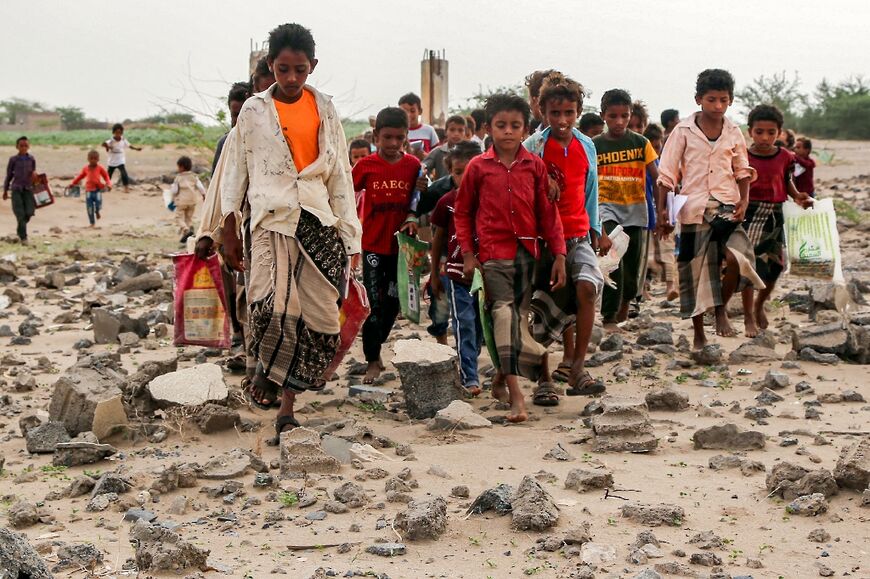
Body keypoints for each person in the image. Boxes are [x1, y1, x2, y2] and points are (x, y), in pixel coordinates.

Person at [219, 23, 362, 439]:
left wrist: (351, 238)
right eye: (283, 69)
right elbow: (236, 172)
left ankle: (287, 404)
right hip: (271, 219)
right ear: (270, 65)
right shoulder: (253, 111)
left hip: (319, 218)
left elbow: (339, 176)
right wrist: (229, 227)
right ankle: (268, 375)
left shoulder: (325, 108)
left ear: (312, 66)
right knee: (272, 308)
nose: (292, 78)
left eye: (300, 69)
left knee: (319, 319)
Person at [454, 93, 566, 423]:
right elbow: (463, 212)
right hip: (493, 255)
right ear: (489, 128)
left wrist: (559, 253)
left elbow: (548, 214)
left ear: (525, 128)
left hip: (527, 254)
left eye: (515, 126)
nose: (508, 131)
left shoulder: (534, 165)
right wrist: (469, 254)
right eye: (501, 125)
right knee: (502, 316)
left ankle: (502, 377)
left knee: (519, 321)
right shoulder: (478, 167)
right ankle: (518, 396)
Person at [656, 69, 764, 349]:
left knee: (740, 258)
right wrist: (661, 212)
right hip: (693, 207)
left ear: (730, 101)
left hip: (727, 204)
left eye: (724, 100)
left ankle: (721, 309)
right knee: (695, 271)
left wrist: (744, 201)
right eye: (712, 99)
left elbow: (742, 170)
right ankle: (698, 333)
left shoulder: (733, 132)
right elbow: (666, 174)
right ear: (699, 100)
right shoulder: (682, 131)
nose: (718, 106)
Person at [524, 72, 605, 401]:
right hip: (541, 241)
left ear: (578, 112)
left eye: (568, 113)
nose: (562, 119)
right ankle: (543, 378)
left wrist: (595, 228)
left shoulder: (586, 146)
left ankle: (577, 367)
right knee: (538, 303)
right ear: (541, 111)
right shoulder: (534, 147)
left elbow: (591, 190)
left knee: (586, 288)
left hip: (577, 235)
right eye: (554, 113)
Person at [352, 107, 423, 384]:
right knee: (372, 303)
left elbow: (420, 204)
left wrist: (418, 206)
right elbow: (345, 194)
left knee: (394, 302)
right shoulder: (365, 166)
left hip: (401, 250)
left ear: (406, 137)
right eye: (387, 138)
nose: (393, 144)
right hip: (372, 246)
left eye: (399, 138)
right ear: (376, 136)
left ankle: (377, 344)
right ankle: (372, 360)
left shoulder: (414, 167)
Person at [741, 104, 813, 337]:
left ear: (779, 133)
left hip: (775, 215)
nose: (765, 137)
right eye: (759, 132)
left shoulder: (785, 157)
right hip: (750, 214)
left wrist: (797, 196)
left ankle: (759, 305)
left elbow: (786, 181)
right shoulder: (743, 155)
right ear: (750, 131)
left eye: (771, 133)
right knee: (749, 268)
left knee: (775, 267)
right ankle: (748, 317)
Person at [593, 89, 659, 332]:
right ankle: (609, 317)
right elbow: (587, 180)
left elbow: (657, 177)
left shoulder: (640, 143)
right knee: (613, 260)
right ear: (603, 116)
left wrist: (661, 212)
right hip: (607, 210)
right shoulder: (595, 145)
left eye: (624, 116)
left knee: (631, 269)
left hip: (635, 212)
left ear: (630, 115)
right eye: (613, 116)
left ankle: (626, 304)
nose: (619, 122)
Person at [429, 142, 484, 394]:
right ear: (450, 172)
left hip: (487, 274)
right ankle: (469, 376)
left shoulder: (490, 200)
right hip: (456, 273)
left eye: (471, 170)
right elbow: (438, 239)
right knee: (464, 323)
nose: (465, 177)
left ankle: (473, 361)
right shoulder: (446, 202)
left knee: (483, 326)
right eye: (459, 172)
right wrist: (433, 274)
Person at [643, 123, 678, 301]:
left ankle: (671, 286)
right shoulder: (644, 164)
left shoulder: (665, 163)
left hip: (665, 211)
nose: (656, 150)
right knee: (647, 252)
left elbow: (672, 186)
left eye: (658, 147)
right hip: (648, 212)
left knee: (667, 248)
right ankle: (644, 287)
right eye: (653, 147)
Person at [3, 136, 36, 244]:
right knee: (19, 213)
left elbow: (34, 173)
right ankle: (24, 237)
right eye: (21, 146)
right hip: (16, 189)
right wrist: (5, 190)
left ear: (29, 146)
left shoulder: (31, 159)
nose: (23, 148)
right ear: (17, 147)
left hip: (28, 189)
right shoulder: (13, 160)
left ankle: (19, 229)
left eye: (26, 145)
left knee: (30, 212)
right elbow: (9, 175)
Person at [212, 82, 252, 173]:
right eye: (235, 115)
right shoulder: (224, 143)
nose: (239, 120)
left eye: (243, 114)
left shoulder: (265, 141)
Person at [69, 150, 111, 227]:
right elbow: (80, 177)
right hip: (88, 191)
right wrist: (73, 183)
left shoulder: (100, 168)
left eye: (95, 159)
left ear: (98, 159)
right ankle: (92, 223)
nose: (93, 160)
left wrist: (108, 184)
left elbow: (106, 176)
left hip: (98, 189)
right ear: (88, 159)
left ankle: (97, 211)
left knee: (98, 205)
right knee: (89, 208)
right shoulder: (85, 169)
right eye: (91, 158)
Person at [171, 156, 206, 243]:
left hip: (182, 201)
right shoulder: (194, 176)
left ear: (182, 167)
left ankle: (186, 230)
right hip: (192, 201)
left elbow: (175, 191)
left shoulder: (178, 177)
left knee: (178, 217)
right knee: (188, 218)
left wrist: (172, 196)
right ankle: (190, 232)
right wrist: (204, 196)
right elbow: (201, 188)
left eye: (178, 167)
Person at [423, 115, 467, 180]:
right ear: (446, 132)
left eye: (460, 130)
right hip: (442, 189)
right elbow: (423, 168)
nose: (456, 133)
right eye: (452, 130)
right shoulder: (438, 152)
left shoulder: (469, 153)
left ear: (465, 133)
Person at [102, 123, 141, 192]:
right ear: (113, 133)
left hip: (120, 159)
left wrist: (136, 149)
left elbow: (129, 145)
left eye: (120, 133)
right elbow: (103, 144)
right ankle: (107, 186)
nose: (118, 134)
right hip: (112, 160)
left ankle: (126, 187)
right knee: (109, 175)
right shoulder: (111, 140)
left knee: (124, 173)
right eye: (116, 133)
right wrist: (108, 146)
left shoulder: (123, 139)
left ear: (122, 133)